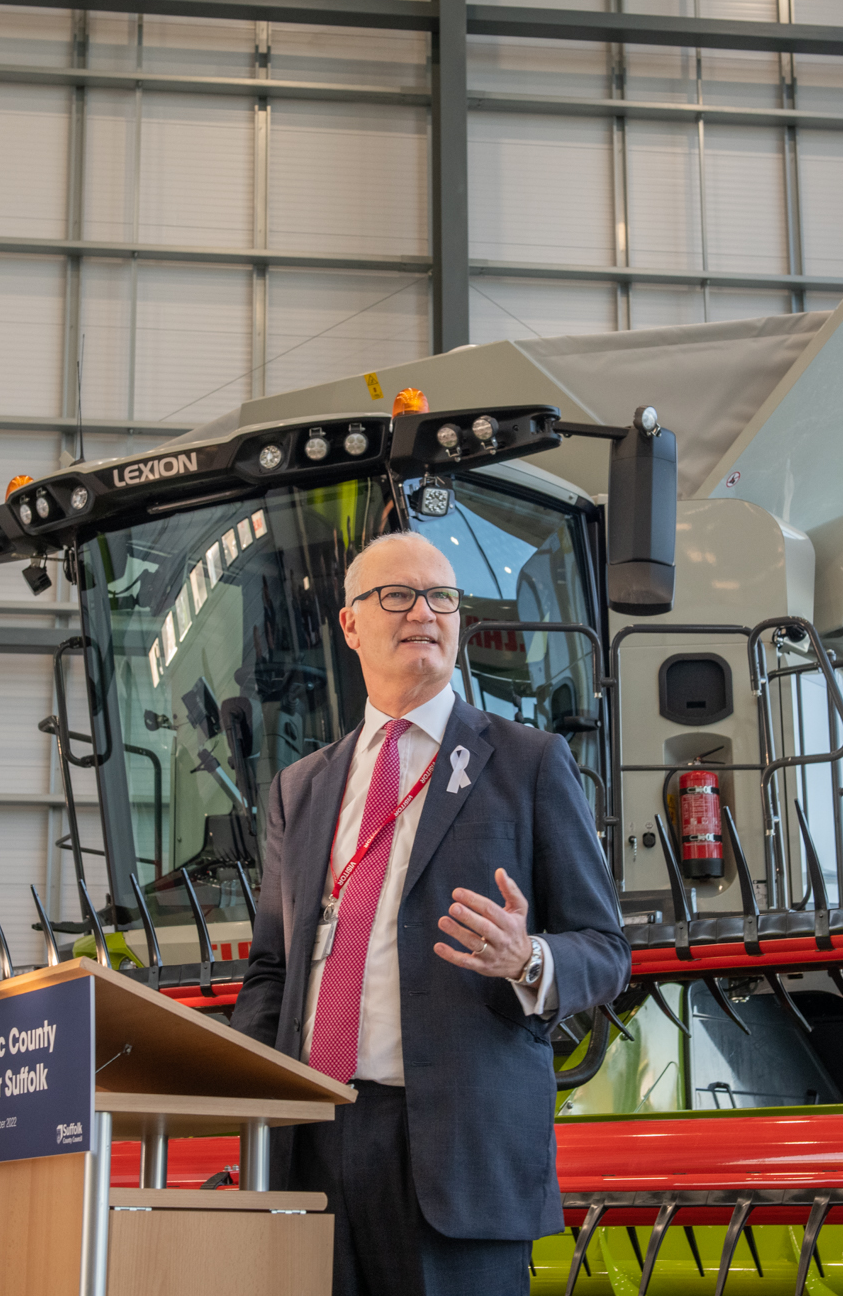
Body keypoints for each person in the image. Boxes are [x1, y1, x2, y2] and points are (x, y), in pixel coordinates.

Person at [231, 530, 630, 1296]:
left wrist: (528, 958)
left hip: (457, 1155)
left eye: (441, 597)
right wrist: (234, 1078)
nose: (424, 612)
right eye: (398, 595)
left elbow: (607, 949)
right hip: (311, 1148)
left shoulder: (529, 762)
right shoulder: (301, 787)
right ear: (350, 624)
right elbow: (274, 968)